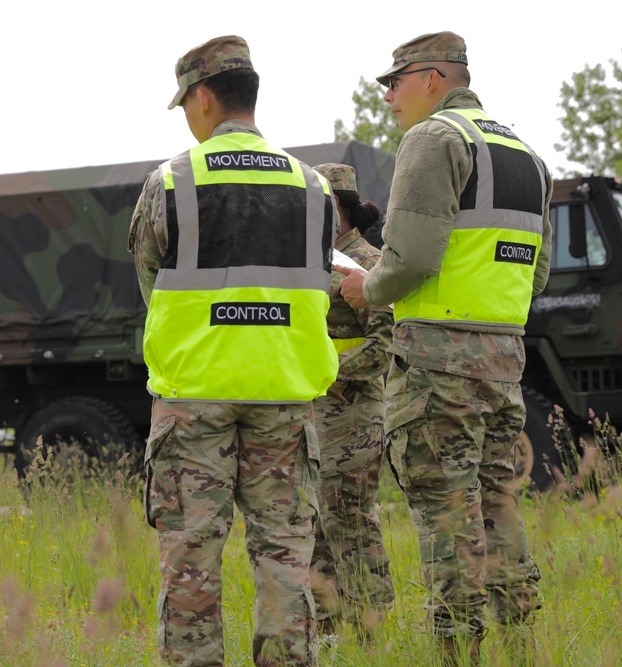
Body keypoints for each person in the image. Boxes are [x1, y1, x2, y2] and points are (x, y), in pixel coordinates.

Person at [337, 31, 552, 663]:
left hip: (436, 366)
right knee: (499, 507)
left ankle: (457, 652)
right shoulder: (527, 155)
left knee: (446, 517)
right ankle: (521, 645)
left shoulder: (434, 139)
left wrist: (366, 288)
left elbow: (411, 258)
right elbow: (535, 275)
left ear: (433, 78)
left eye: (393, 82)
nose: (387, 98)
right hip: (503, 362)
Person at [128, 35, 339, 667]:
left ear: (201, 97)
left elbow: (149, 283)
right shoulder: (315, 187)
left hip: (195, 401)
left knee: (191, 563)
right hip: (285, 396)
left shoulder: (170, 181)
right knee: (286, 561)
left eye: (186, 104)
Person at [308, 163, 395, 636]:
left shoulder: (368, 261)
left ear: (340, 207)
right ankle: (328, 630)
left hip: (354, 417)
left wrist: (327, 374)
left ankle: (372, 631)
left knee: (352, 525)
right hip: (312, 418)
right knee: (315, 529)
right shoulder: (313, 259)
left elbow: (387, 344)